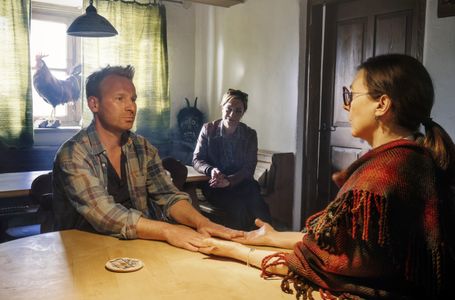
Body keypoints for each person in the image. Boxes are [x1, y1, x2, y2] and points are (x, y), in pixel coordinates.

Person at [199, 54, 455, 299]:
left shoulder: (382, 177)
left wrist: (237, 250)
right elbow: (341, 246)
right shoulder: (414, 158)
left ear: (382, 104)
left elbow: (326, 265)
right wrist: (273, 236)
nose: (347, 106)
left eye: (351, 95)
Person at [53, 65, 242, 252]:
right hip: (83, 252)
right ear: (94, 104)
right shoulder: (73, 153)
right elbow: (105, 215)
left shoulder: (142, 147)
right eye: (120, 98)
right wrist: (168, 231)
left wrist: (202, 222)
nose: (131, 107)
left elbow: (168, 196)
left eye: (133, 99)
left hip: (136, 247)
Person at [192, 88, 272, 230]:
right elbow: (197, 159)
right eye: (228, 109)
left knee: (258, 205)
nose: (232, 114)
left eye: (238, 111)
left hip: (240, 183)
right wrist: (211, 170)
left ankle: (270, 237)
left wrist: (229, 181)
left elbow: (249, 167)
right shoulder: (208, 129)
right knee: (237, 207)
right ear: (222, 107)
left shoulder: (249, 134)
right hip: (215, 184)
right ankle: (239, 241)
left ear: (243, 113)